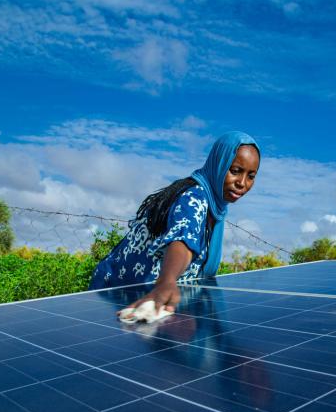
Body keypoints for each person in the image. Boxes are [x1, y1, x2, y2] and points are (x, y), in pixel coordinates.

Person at [88, 131, 261, 318]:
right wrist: (167, 280)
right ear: (218, 163)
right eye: (235, 171)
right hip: (115, 293)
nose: (242, 183)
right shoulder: (194, 198)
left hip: (148, 296)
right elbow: (183, 241)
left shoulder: (216, 207)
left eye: (251, 176)